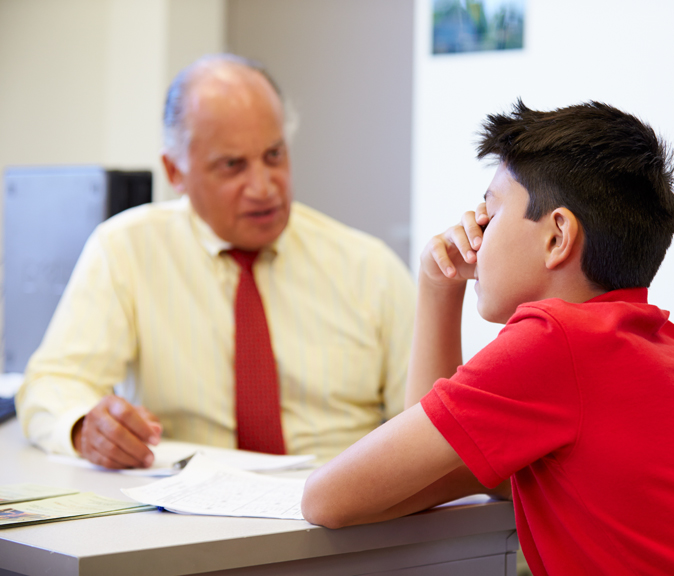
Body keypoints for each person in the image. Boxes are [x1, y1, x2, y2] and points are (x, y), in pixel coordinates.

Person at [300, 101, 674, 575]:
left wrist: (436, 288)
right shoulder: (652, 341)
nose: (475, 231)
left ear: (556, 236)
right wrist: (440, 288)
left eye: (491, 208)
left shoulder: (555, 342)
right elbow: (428, 471)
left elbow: (327, 499)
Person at [15, 54, 414, 468]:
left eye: (274, 155)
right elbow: (53, 382)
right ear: (175, 171)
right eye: (232, 166)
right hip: (186, 514)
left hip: (342, 508)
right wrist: (86, 427)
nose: (263, 187)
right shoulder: (126, 250)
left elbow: (429, 422)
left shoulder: (371, 269)